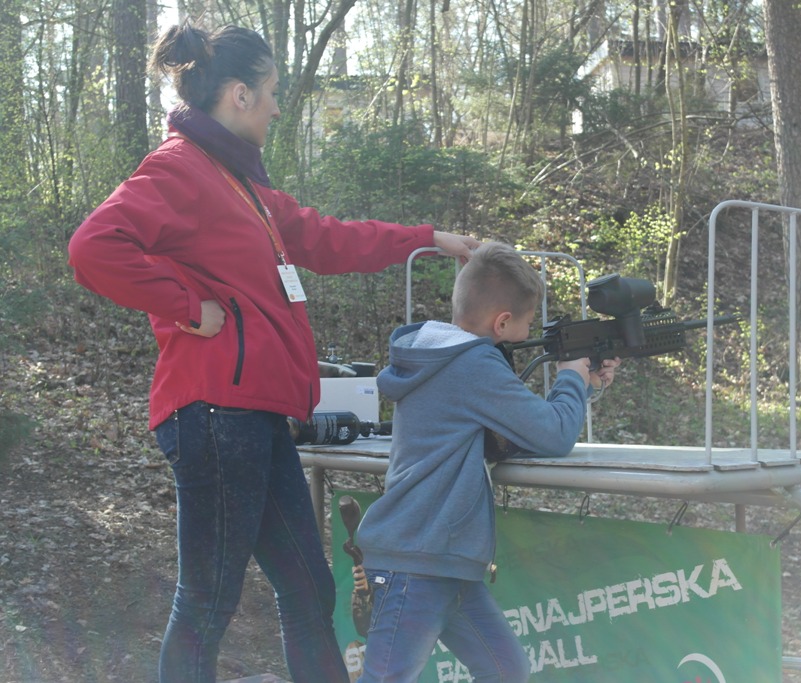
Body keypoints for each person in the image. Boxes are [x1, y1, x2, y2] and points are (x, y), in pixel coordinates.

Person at [66, 22, 479, 683]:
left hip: (257, 416)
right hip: (215, 413)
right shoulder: (178, 167)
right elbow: (93, 247)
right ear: (239, 94)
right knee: (208, 599)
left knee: (310, 590)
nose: (278, 107)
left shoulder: (246, 189)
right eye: (273, 93)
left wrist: (429, 238)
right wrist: (187, 306)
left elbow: (331, 238)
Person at [354, 242, 620, 683]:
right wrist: (571, 375)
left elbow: (519, 433)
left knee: (505, 671)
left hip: (444, 559)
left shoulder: (442, 357)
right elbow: (553, 434)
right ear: (502, 322)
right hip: (416, 560)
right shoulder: (472, 364)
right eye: (527, 322)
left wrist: (583, 384)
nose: (529, 331)